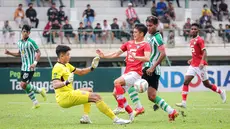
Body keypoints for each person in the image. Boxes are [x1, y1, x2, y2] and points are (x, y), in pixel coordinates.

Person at [51, 45, 131, 125]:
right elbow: (55, 84)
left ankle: (85, 117)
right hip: (65, 97)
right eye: (68, 54)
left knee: (89, 90)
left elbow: (81, 72)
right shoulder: (57, 67)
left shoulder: (67, 65)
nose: (70, 56)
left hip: (69, 94)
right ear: (61, 55)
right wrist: (66, 82)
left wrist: (92, 67)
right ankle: (116, 120)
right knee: (97, 97)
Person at [96, 23, 151, 121]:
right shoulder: (128, 43)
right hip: (128, 72)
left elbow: (147, 58)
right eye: (133, 32)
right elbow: (116, 54)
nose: (133, 34)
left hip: (136, 73)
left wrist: (136, 57)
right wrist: (104, 55)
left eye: (136, 32)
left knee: (117, 82)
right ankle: (130, 113)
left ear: (142, 34)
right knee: (115, 93)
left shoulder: (145, 45)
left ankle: (120, 107)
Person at [176, 23, 227, 108]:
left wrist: (202, 62)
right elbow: (196, 54)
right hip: (193, 65)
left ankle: (221, 92)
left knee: (206, 84)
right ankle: (183, 102)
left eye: (195, 29)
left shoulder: (200, 40)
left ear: (198, 30)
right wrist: (191, 59)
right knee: (186, 81)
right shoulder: (191, 40)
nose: (193, 30)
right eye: (192, 29)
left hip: (200, 66)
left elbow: (204, 52)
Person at [144, 16, 178, 121]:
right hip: (150, 69)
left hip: (151, 69)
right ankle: (172, 112)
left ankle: (130, 108)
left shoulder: (157, 37)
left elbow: (163, 53)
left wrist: (153, 67)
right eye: (147, 26)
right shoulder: (149, 36)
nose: (148, 28)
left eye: (150, 26)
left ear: (156, 25)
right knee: (152, 97)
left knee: (128, 83)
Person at [4, 25, 47, 109]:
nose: (24, 33)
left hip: (30, 67)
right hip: (23, 67)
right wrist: (9, 53)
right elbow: (19, 54)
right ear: (21, 32)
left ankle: (40, 90)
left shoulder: (31, 42)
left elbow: (38, 52)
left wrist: (34, 63)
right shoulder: (19, 42)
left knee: (23, 84)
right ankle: (36, 102)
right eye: (23, 31)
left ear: (29, 33)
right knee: (24, 85)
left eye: (26, 32)